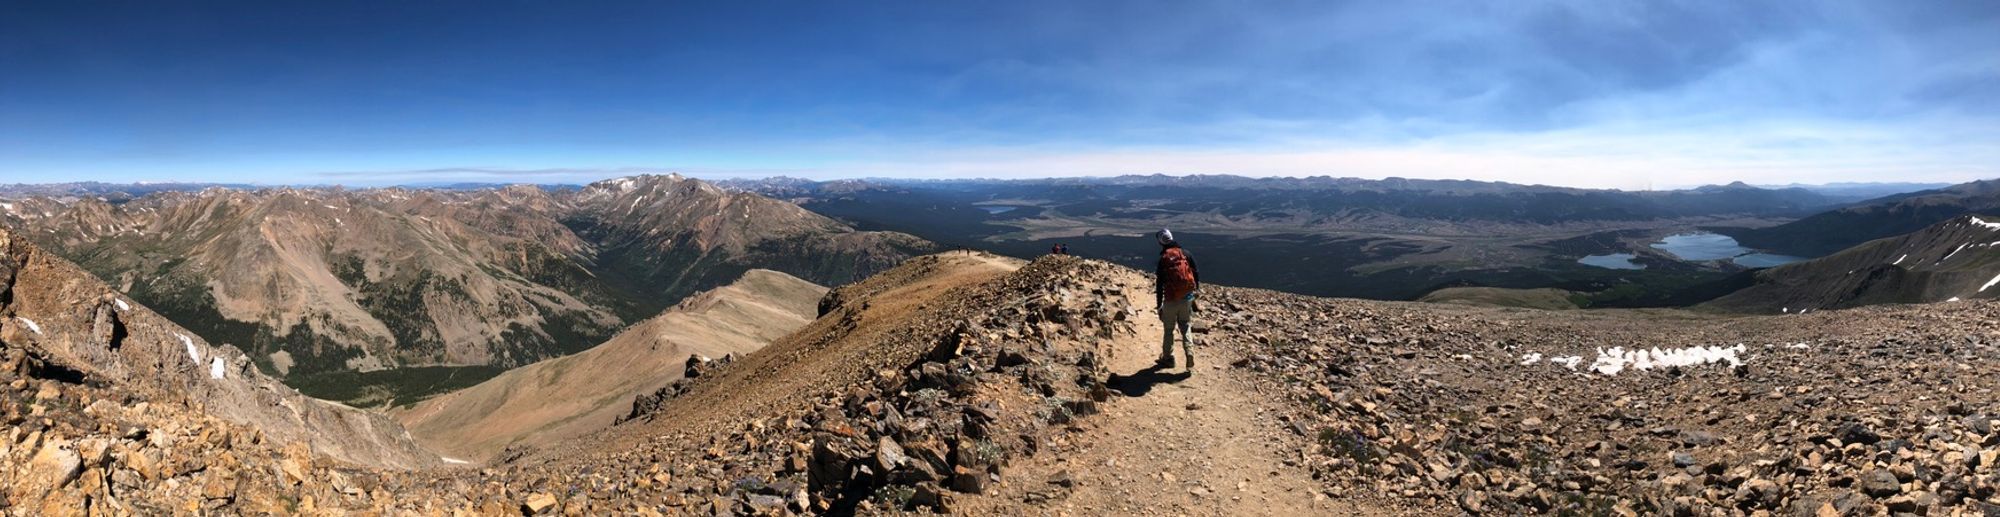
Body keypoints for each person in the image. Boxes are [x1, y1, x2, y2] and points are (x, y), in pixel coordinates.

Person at [1154, 229, 1199, 368]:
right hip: (1186, 297)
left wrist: (1159, 304)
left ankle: (1167, 358)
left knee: (1169, 329)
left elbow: (1159, 283)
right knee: (1185, 325)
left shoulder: (1163, 259)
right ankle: (1189, 352)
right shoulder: (1185, 254)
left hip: (1170, 298)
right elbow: (1195, 273)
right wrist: (1195, 292)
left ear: (1161, 242)